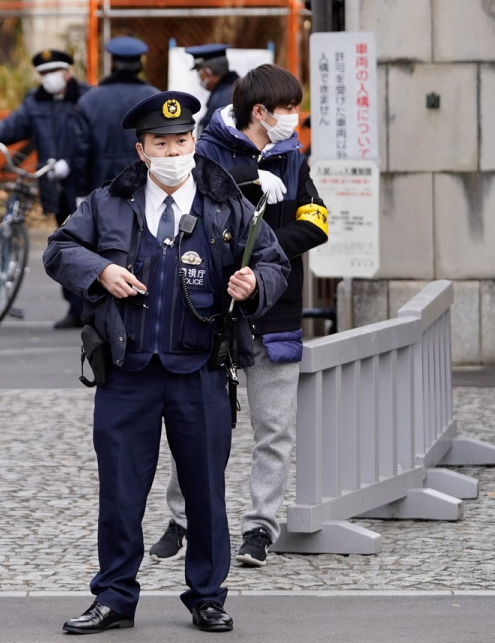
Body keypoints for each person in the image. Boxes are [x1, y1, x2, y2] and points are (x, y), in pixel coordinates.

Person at [44, 91, 289, 634]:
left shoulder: (228, 204)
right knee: (120, 492)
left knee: (205, 491)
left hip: (200, 370)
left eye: (182, 141)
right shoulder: (108, 202)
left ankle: (207, 595)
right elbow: (58, 249)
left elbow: (274, 262)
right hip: (126, 372)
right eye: (162, 143)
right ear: (142, 149)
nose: (174, 151)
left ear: (195, 142)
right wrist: (100, 272)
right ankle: (114, 597)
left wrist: (254, 285)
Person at [149, 64, 328, 568]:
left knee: (275, 428)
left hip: (274, 308)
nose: (295, 118)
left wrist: (267, 252)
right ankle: (181, 520)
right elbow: (192, 201)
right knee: (199, 422)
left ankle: (259, 529)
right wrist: (250, 180)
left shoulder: (293, 155)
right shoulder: (205, 149)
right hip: (212, 308)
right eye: (289, 108)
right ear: (260, 111)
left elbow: (315, 220)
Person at [0, 49, 91, 329]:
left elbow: (92, 138)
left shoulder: (87, 98)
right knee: (65, 244)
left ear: (68, 72)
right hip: (53, 183)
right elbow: (15, 124)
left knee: (90, 245)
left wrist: (71, 163)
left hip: (84, 183)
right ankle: (76, 310)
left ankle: (92, 309)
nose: (48, 79)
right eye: (43, 74)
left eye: (54, 72)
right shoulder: (35, 101)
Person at [73, 36, 159, 194]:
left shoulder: (89, 100)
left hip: (100, 183)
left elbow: (80, 153)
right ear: (139, 65)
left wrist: (80, 192)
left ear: (112, 64)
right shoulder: (155, 98)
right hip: (145, 181)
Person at [184, 43, 239, 137]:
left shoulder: (221, 101)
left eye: (199, 72)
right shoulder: (239, 88)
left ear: (207, 72)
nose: (200, 78)